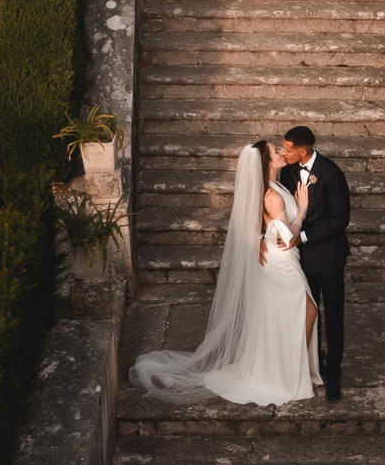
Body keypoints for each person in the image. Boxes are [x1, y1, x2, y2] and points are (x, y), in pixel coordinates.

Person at [127, 138, 319, 406]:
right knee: (308, 312)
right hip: (280, 263)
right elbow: (287, 237)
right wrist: (302, 211)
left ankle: (286, 372)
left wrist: (257, 239)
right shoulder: (272, 195)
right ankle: (289, 376)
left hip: (277, 259)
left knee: (282, 316)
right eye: (275, 151)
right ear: (266, 162)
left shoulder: (273, 186)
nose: (280, 152)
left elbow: (254, 222)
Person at [273, 124, 350, 402]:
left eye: (287, 149)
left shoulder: (331, 173)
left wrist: (302, 236)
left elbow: (340, 219)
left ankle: (334, 374)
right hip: (302, 259)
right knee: (308, 313)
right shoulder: (288, 171)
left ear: (302, 152)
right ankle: (314, 365)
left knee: (333, 315)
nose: (283, 152)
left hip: (329, 257)